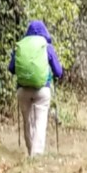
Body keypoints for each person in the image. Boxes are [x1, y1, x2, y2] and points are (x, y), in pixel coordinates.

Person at [10, 20, 64, 156]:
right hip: (42, 90)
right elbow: (58, 72)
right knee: (40, 120)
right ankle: (36, 155)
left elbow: (11, 68)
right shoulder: (47, 46)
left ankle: (30, 151)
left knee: (27, 121)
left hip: (23, 90)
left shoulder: (20, 46)